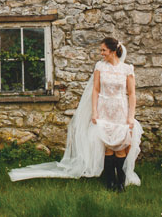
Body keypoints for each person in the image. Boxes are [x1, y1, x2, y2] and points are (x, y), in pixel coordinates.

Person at [8, 37, 142, 191]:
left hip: (120, 110)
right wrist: (94, 111)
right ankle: (110, 181)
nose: (101, 53)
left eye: (103, 50)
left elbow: (131, 94)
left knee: (120, 146)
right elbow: (96, 90)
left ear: (112, 51)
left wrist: (131, 116)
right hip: (104, 109)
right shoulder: (100, 67)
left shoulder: (127, 69)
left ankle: (120, 183)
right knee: (108, 146)